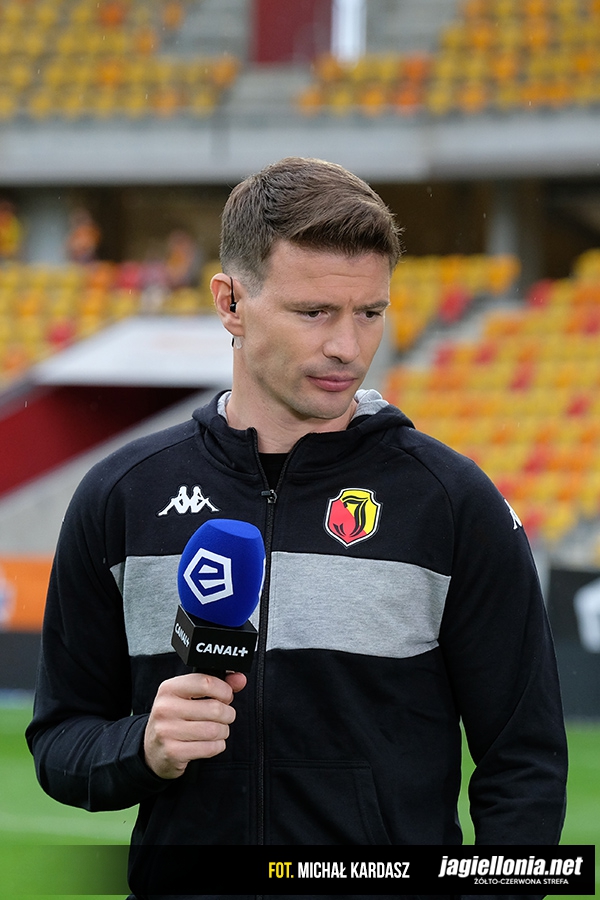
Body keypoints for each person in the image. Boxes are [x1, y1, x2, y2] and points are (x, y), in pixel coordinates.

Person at [26, 157, 567, 899]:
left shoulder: (451, 501)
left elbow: (524, 762)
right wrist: (143, 746)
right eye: (315, 313)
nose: (348, 346)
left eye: (370, 312)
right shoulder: (121, 495)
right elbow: (60, 741)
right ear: (230, 302)